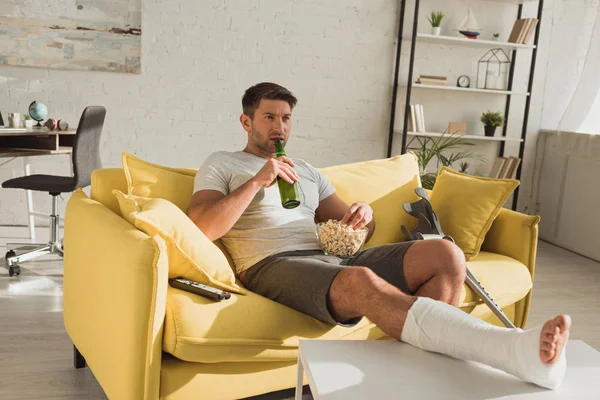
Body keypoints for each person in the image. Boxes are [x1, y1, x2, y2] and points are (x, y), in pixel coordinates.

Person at [187, 82, 571, 390]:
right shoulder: (223, 163)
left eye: (286, 118)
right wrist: (258, 181)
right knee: (359, 281)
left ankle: (420, 381)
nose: (279, 127)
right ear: (246, 121)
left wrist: (364, 214)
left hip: (330, 260)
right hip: (271, 266)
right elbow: (202, 226)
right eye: (269, 117)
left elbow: (357, 228)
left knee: (445, 254)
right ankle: (510, 350)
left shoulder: (305, 169)